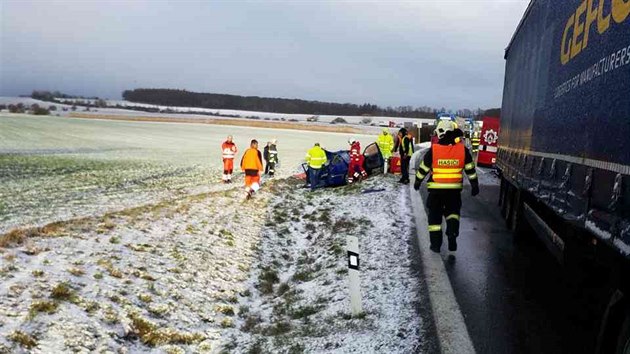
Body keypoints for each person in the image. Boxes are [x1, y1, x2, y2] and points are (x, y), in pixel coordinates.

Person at [414, 120, 479, 253]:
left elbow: (423, 169)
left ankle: (436, 245)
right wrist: (474, 185)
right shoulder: (463, 150)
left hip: (436, 192)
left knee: (434, 219)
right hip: (454, 192)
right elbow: (470, 170)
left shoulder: (435, 150)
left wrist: (417, 182)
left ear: (441, 132)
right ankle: (452, 234)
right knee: (453, 214)